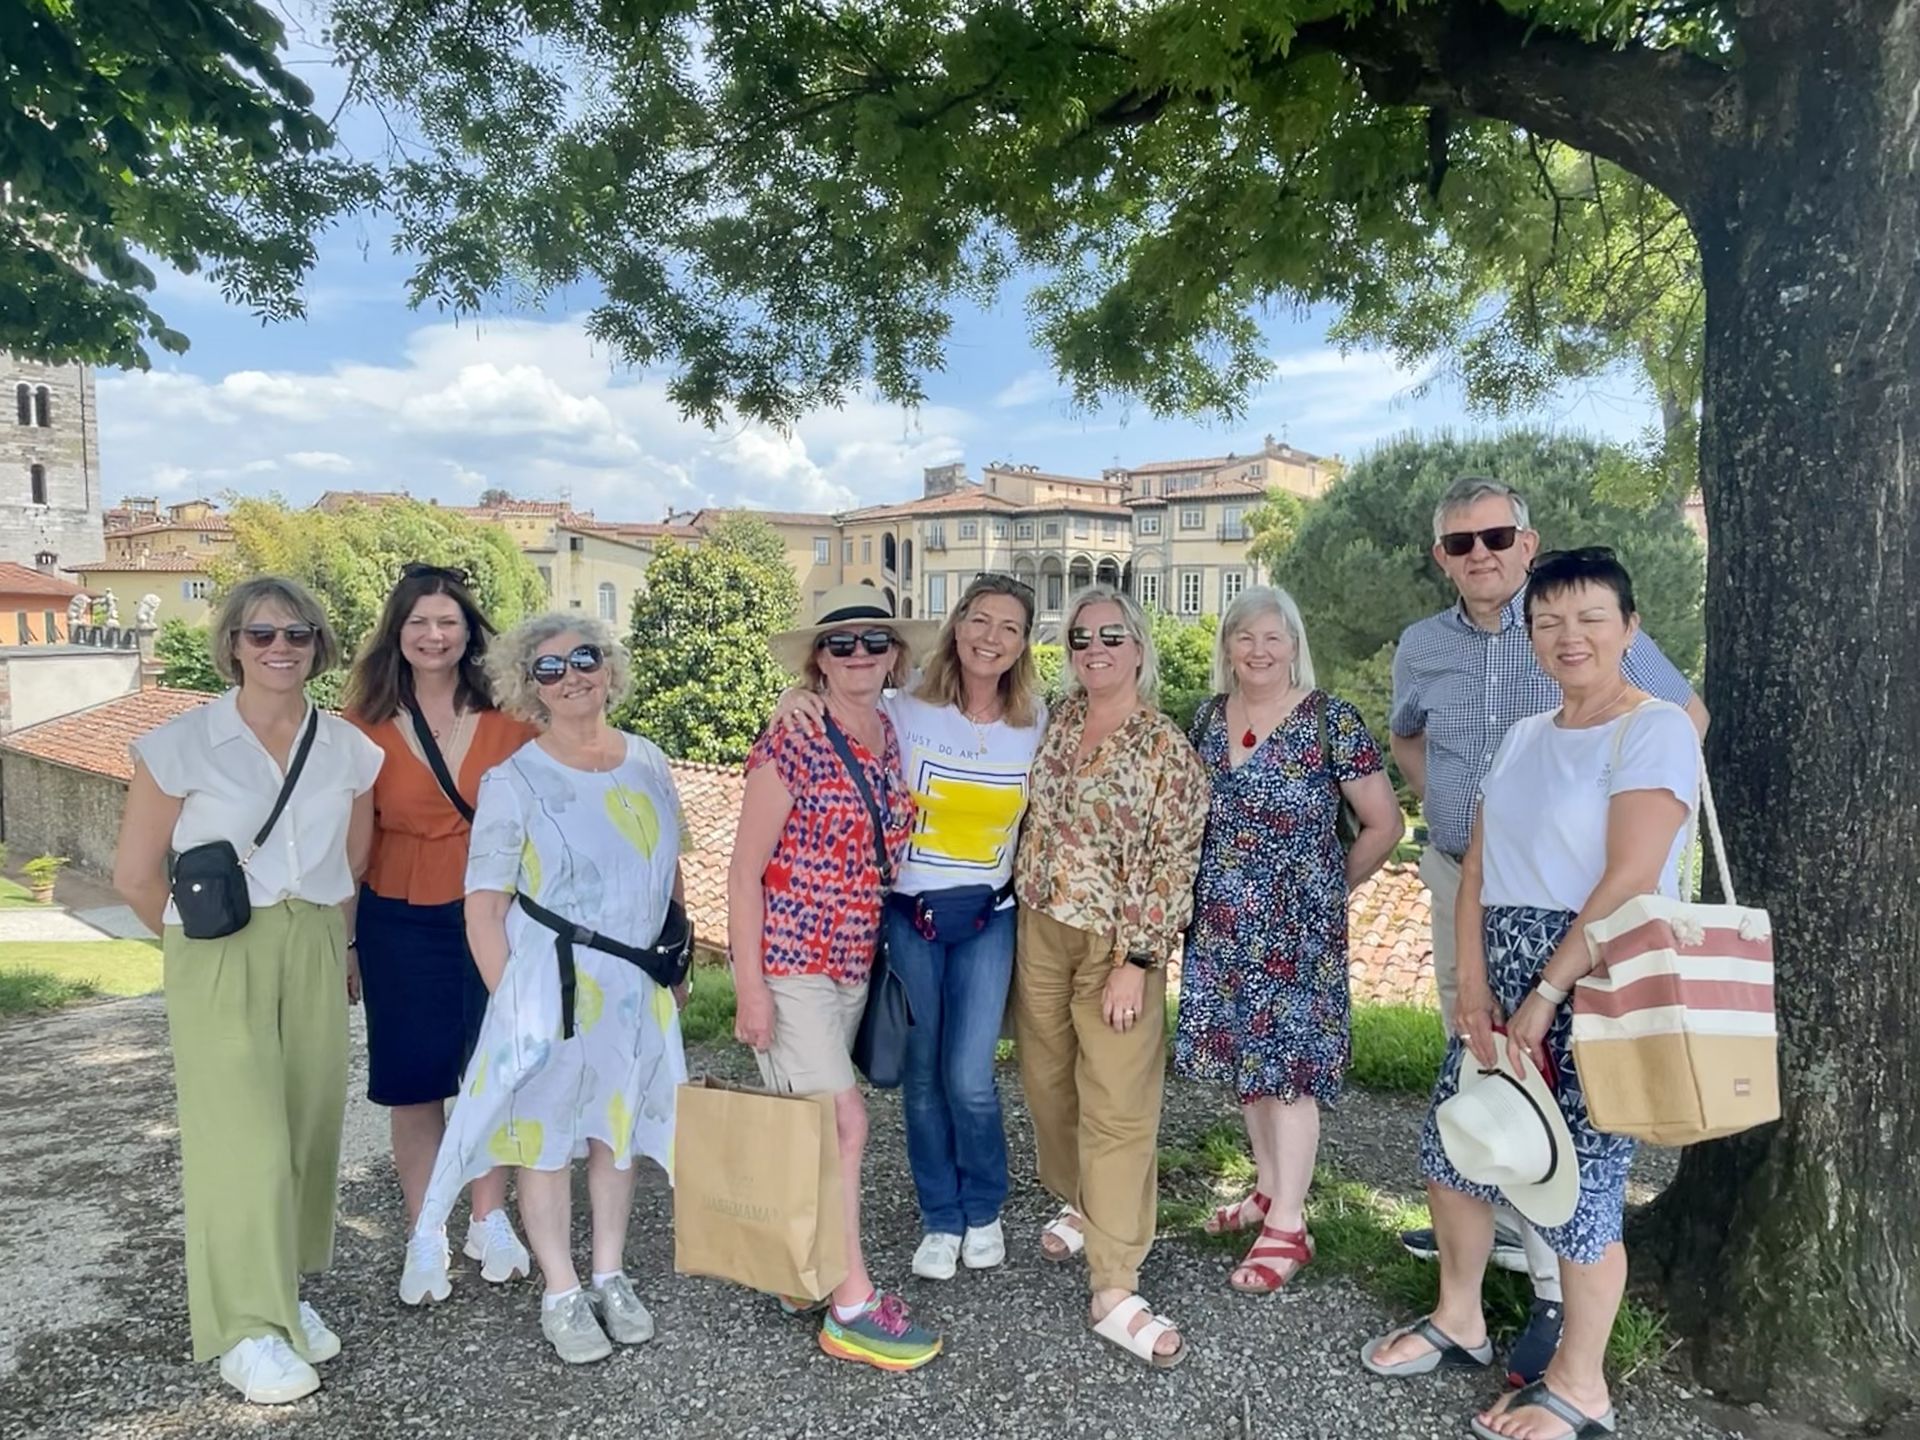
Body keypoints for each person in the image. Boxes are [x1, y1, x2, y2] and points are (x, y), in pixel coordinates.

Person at [1364, 547, 1701, 1440]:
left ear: (1629, 629)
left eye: (1590, 619)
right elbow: (1478, 863)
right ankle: (1460, 1317)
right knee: (1457, 1150)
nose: (1568, 637)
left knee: (1583, 1188)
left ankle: (1582, 1386)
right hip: (1501, 967)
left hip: (1595, 976)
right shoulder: (1526, 733)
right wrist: (1473, 983)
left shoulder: (1654, 728)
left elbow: (1631, 875)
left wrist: (1547, 990)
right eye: (1547, 623)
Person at [112, 577, 384, 1405]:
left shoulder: (349, 751)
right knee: (243, 1140)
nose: (279, 648)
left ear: (317, 645)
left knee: (306, 1126)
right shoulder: (180, 745)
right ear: (232, 643)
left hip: (313, 940)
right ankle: (244, 1328)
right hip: (220, 947)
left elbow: (356, 864)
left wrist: (341, 946)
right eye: (260, 634)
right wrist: (206, 950)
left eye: (297, 634)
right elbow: (133, 876)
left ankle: (281, 1295)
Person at [397, 615, 691, 1367]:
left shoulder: (650, 762)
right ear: (530, 689)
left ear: (609, 667)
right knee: (548, 1143)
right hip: (551, 988)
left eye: (584, 659)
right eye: (550, 669)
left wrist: (675, 963)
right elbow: (484, 906)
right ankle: (561, 1288)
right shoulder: (514, 780)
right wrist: (515, 1010)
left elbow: (667, 872)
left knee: (616, 1134)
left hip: (636, 985)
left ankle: (611, 1273)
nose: (571, 677)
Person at [768, 575, 1046, 1281]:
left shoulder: (1038, 723)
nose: (991, 637)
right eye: (978, 620)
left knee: (971, 1077)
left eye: (1008, 627)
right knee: (921, 1077)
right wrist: (792, 698)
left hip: (989, 918)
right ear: (956, 627)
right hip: (909, 916)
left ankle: (984, 1208)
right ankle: (940, 1216)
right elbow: (836, 702)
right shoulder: (904, 708)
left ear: (1024, 643)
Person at [729, 583, 945, 1371]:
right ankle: (850, 1306)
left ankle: (803, 1270)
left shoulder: (888, 729)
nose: (860, 654)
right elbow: (743, 871)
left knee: (815, 1129)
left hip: (852, 960)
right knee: (845, 1122)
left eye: (874, 641)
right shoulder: (791, 739)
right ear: (819, 658)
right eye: (841, 643)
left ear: (894, 655)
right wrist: (749, 987)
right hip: (791, 961)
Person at [1174, 585, 1404, 1292]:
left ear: (1295, 644)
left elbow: (1384, 823)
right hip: (1221, 927)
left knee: (1290, 1072)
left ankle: (1290, 1228)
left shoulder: (1331, 720)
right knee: (1251, 1067)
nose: (1259, 650)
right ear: (1228, 649)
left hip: (1297, 934)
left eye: (1273, 637)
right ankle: (1269, 1191)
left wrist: (1331, 890)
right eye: (1244, 638)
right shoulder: (1208, 719)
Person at [1013, 584, 1207, 1367]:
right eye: (1081, 639)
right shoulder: (1055, 724)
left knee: (1119, 1107)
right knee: (1048, 1084)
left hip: (1117, 944)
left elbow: (1173, 863)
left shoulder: (1166, 750)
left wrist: (1138, 960)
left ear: (1140, 648)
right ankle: (1086, 1202)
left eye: (1112, 637)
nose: (1095, 651)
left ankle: (1115, 1283)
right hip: (1040, 927)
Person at [343, 563, 538, 1290]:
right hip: (398, 917)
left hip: (496, 917)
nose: (434, 634)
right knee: (414, 1083)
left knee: (495, 1074)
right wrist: (351, 940)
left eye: (448, 622)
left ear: (468, 633)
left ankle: (489, 1217)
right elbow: (354, 847)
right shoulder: (361, 727)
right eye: (419, 621)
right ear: (398, 632)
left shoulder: (514, 720)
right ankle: (427, 1229)